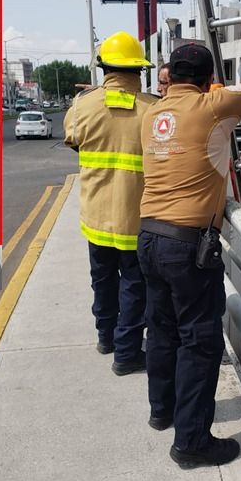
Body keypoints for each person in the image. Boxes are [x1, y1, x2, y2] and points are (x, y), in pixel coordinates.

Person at [138, 14, 241, 468]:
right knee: (200, 340)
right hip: (187, 246)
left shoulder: (154, 113)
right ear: (206, 81)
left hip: (148, 237)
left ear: (171, 76)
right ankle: (192, 443)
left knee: (161, 329)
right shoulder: (212, 105)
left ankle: (162, 412)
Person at [63, 32, 156, 375]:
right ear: (139, 70)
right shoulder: (153, 108)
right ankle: (128, 352)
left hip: (96, 218)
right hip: (136, 219)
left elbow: (72, 140)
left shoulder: (82, 106)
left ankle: (106, 337)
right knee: (135, 285)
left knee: (102, 279)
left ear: (104, 68)